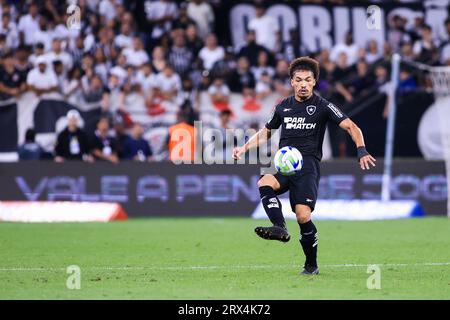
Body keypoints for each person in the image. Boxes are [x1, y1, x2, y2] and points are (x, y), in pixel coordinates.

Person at [232, 57, 376, 275]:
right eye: (298, 80)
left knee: (303, 216)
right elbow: (266, 132)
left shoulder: (323, 106)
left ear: (314, 82)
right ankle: (279, 228)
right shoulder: (283, 107)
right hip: (285, 165)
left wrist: (361, 149)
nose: (303, 84)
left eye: (307, 80)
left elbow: (351, 126)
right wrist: (244, 148)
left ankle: (311, 265)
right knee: (264, 182)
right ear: (291, 82)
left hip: (308, 166)